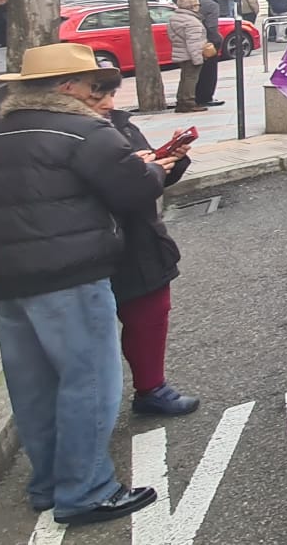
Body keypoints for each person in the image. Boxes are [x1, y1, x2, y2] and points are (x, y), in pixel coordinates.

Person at [0, 44, 160, 526]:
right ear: (66, 88)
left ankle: (49, 482)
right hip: (71, 272)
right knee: (88, 380)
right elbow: (135, 188)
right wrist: (157, 168)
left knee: (34, 385)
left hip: (8, 277)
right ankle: (87, 490)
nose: (101, 93)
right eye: (95, 85)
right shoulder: (85, 131)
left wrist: (1, 221)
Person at [97, 97, 199, 417]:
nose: (107, 99)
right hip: (92, 242)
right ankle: (96, 407)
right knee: (91, 329)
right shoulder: (72, 133)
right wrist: (140, 172)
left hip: (140, 237)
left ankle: (151, 388)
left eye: (108, 90)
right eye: (97, 89)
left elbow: (151, 178)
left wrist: (170, 161)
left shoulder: (120, 123)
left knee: (150, 312)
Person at [167, 0, 209, 114]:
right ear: (192, 6)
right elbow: (194, 42)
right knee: (191, 78)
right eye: (197, 5)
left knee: (184, 78)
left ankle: (181, 101)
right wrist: (198, 59)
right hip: (190, 54)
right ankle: (188, 103)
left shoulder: (174, 18)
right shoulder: (191, 21)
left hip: (180, 52)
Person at [191, 0, 223, 107]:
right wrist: (216, 40)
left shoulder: (193, 3)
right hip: (207, 41)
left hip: (193, 40)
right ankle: (206, 97)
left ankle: (196, 95)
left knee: (197, 71)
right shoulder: (212, 5)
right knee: (209, 71)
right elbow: (211, 25)